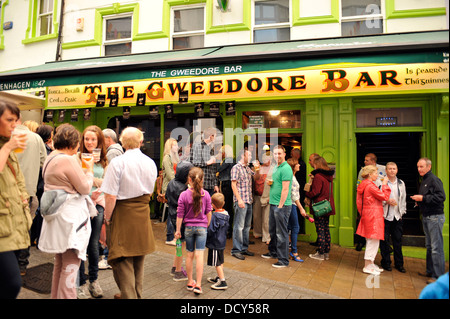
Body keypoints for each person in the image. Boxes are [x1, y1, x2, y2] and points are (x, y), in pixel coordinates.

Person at [38, 124, 96, 299]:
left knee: (60, 263)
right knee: (71, 266)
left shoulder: (50, 158)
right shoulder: (68, 160)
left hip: (55, 216)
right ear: (74, 143)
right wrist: (89, 172)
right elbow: (85, 187)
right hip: (70, 219)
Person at [101, 127, 157, 299]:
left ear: (122, 142)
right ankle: (135, 294)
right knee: (139, 257)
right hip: (143, 211)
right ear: (141, 142)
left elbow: (110, 196)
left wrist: (107, 218)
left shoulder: (117, 163)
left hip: (123, 212)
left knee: (122, 258)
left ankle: (129, 296)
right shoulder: (150, 162)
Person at [0, 101, 32, 299]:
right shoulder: (6, 147)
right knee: (12, 283)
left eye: (16, 120)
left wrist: (23, 199)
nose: (14, 125)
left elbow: (17, 179)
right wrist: (9, 146)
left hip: (11, 225)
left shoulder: (7, 146)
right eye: (9, 120)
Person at [76, 125, 108, 299]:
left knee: (94, 245)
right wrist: (92, 178)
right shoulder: (77, 157)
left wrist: (91, 180)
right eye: (87, 139)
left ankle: (94, 282)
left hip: (97, 204)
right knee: (81, 244)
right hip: (81, 204)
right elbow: (77, 181)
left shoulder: (104, 160)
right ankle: (80, 283)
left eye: (93, 139)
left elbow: (107, 183)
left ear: (99, 141)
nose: (89, 142)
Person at [14, 114, 47, 274]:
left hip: (6, 190)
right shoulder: (35, 138)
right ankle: (21, 264)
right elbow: (44, 162)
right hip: (27, 189)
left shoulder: (5, 136)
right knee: (24, 225)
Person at [175, 167, 212, 295]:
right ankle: (199, 285)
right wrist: (206, 225)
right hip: (202, 228)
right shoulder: (206, 194)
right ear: (202, 180)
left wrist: (177, 230)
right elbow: (209, 212)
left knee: (189, 255)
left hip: (188, 228)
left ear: (189, 180)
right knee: (199, 255)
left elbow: (180, 214)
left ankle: (190, 281)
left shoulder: (183, 195)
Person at [411, 158, 446, 284]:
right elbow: (428, 198)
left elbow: (441, 197)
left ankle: (438, 277)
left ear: (429, 167)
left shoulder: (434, 180)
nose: (419, 169)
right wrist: (419, 201)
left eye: (422, 166)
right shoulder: (424, 180)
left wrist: (423, 198)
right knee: (430, 246)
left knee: (436, 248)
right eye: (418, 166)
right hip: (427, 216)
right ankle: (430, 271)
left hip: (435, 217)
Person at [356, 165, 390, 275]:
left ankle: (370, 264)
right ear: (370, 174)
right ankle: (367, 265)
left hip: (368, 214)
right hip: (373, 215)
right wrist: (384, 184)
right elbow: (384, 196)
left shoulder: (364, 184)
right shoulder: (370, 186)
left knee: (372, 240)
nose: (377, 175)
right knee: (373, 240)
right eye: (375, 173)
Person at [262, 145, 293, 268]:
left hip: (282, 205)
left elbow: (286, 189)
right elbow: (277, 184)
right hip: (273, 203)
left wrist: (280, 205)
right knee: (273, 231)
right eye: (275, 154)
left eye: (279, 153)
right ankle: (273, 252)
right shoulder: (276, 167)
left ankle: (283, 260)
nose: (277, 156)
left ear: (284, 154)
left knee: (281, 233)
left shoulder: (286, 168)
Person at [166, 160, 193, 281]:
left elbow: (167, 197)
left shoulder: (171, 182)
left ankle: (174, 266)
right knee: (180, 244)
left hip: (172, 214)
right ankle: (178, 270)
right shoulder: (184, 189)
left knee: (178, 242)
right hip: (181, 218)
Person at [305, 157, 336, 261]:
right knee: (326, 229)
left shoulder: (318, 176)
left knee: (320, 230)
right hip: (326, 206)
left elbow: (315, 192)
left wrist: (306, 193)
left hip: (319, 206)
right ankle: (326, 252)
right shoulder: (328, 176)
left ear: (317, 165)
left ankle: (321, 253)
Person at [355, 153, 386, 251]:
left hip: (381, 204)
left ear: (373, 161)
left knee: (378, 229)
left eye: (366, 160)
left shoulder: (383, 169)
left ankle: (384, 245)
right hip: (368, 203)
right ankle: (361, 242)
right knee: (367, 228)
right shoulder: (363, 171)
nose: (364, 162)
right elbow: (359, 185)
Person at [380, 162, 407, 273]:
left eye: (394, 168)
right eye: (389, 169)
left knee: (398, 241)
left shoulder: (401, 183)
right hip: (385, 216)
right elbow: (378, 200)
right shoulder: (382, 183)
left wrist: (402, 213)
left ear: (397, 170)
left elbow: (403, 199)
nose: (392, 170)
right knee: (385, 241)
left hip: (397, 217)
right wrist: (386, 201)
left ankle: (399, 264)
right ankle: (386, 263)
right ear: (386, 171)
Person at [230, 149, 256, 260]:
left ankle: (244, 248)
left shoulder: (248, 168)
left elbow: (257, 177)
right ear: (242, 155)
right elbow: (233, 184)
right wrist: (239, 199)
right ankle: (236, 250)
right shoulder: (236, 168)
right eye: (248, 155)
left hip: (249, 200)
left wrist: (257, 169)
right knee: (239, 226)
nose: (250, 157)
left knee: (246, 227)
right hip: (241, 200)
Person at [206, 192, 230, 290]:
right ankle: (219, 277)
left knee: (217, 263)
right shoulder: (226, 215)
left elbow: (211, 229)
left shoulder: (215, 216)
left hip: (215, 242)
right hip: (222, 241)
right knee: (220, 260)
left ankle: (223, 281)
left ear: (213, 205)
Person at [287, 158, 308, 262]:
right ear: (293, 166)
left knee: (289, 227)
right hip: (292, 205)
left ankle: (288, 249)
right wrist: (301, 208)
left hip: (291, 204)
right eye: (297, 164)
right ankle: (294, 252)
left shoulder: (292, 176)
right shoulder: (291, 178)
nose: (299, 165)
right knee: (295, 228)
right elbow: (294, 196)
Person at [192, 127, 219, 196]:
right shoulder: (197, 146)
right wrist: (207, 163)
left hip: (210, 185)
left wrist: (215, 184)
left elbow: (213, 169)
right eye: (215, 136)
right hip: (200, 184)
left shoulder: (211, 150)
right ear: (211, 136)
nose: (216, 139)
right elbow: (193, 163)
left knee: (209, 206)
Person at [162, 138, 179, 245]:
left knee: (174, 212)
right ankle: (169, 237)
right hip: (170, 188)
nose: (177, 147)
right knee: (172, 212)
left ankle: (173, 236)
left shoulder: (175, 157)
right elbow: (170, 175)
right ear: (170, 146)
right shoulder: (166, 158)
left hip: (176, 187)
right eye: (175, 145)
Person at [253, 152, 272, 244]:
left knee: (266, 218)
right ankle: (257, 232)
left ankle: (267, 236)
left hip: (268, 195)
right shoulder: (258, 167)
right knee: (256, 216)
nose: (267, 161)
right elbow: (255, 178)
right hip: (257, 194)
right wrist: (257, 170)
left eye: (269, 158)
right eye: (266, 159)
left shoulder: (274, 169)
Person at [217, 145, 235, 238]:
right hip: (229, 185)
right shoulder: (232, 160)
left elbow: (218, 169)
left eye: (221, 152)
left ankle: (228, 230)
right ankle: (229, 230)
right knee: (229, 208)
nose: (221, 154)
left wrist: (217, 160)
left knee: (227, 207)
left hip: (226, 185)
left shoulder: (228, 160)